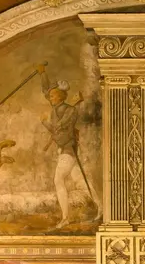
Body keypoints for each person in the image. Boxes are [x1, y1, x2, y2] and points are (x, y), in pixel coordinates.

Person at [37, 64, 102, 228]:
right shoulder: (56, 107)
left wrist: (45, 121)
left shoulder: (70, 111)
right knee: (80, 181)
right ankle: (101, 207)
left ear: (60, 96)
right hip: (63, 149)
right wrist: (42, 73)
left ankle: (65, 218)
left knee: (58, 179)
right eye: (50, 96)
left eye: (53, 96)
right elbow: (46, 90)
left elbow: (58, 128)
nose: (50, 97)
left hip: (69, 149)